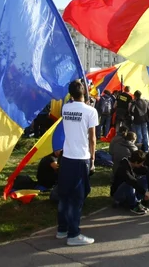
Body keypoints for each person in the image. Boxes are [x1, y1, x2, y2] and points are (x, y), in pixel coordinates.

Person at [57, 80, 98, 245]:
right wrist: (93, 160)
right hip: (81, 157)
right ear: (85, 92)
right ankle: (73, 235)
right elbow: (93, 138)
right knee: (77, 197)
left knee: (64, 195)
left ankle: (62, 229)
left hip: (67, 157)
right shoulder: (91, 111)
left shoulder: (65, 108)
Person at [110, 150, 149, 215]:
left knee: (144, 178)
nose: (142, 165)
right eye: (141, 163)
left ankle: (138, 201)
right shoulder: (123, 168)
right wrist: (144, 192)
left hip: (130, 191)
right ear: (136, 162)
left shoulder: (134, 165)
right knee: (129, 183)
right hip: (118, 194)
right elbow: (131, 181)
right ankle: (134, 205)